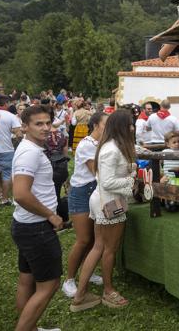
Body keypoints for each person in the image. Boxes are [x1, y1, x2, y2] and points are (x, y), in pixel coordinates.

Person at [71, 110, 136, 312]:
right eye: (130, 124)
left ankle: (80, 296)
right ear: (122, 127)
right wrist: (131, 180)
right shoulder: (111, 149)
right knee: (109, 249)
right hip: (110, 203)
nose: (132, 127)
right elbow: (107, 181)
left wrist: (130, 167)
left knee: (99, 247)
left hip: (105, 201)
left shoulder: (110, 147)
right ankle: (108, 291)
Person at [11, 105, 63, 331]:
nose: (45, 128)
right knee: (49, 284)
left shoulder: (30, 147)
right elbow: (21, 194)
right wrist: (51, 215)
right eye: (38, 124)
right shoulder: (30, 152)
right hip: (36, 228)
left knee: (27, 280)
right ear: (25, 126)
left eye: (47, 123)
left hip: (25, 225)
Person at [62, 112, 108, 298]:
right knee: (83, 239)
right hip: (82, 193)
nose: (109, 128)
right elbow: (97, 171)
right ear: (96, 125)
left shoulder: (101, 144)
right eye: (106, 124)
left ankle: (88, 272)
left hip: (95, 191)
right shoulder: (86, 145)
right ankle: (69, 280)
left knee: (94, 239)